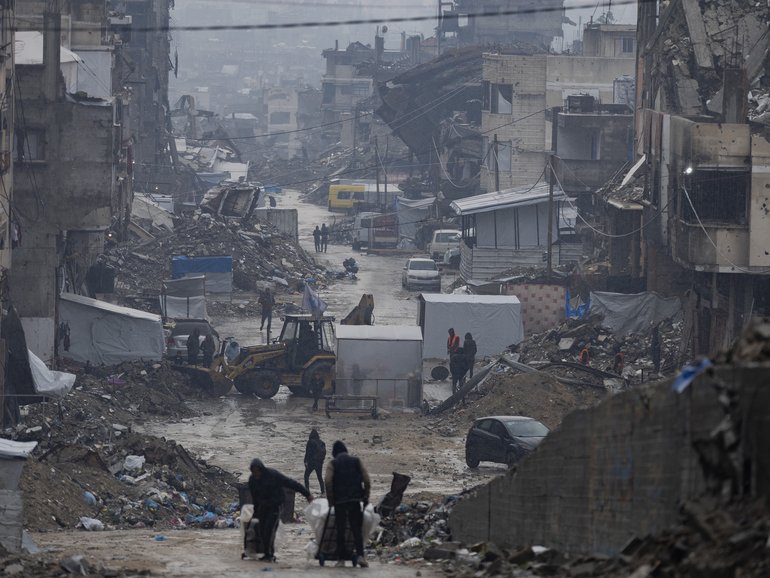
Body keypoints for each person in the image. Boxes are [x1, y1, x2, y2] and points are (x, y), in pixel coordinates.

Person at [248, 458, 312, 562]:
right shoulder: (252, 480)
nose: (256, 474)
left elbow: (290, 483)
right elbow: (255, 497)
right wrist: (255, 512)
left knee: (269, 529)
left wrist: (307, 494)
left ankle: (269, 554)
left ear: (261, 469)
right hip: (263, 508)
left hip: (275, 506)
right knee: (262, 530)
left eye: (257, 471)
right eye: (254, 472)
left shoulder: (272, 475)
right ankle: (268, 554)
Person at [324, 441, 371, 568]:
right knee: (356, 529)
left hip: (340, 501)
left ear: (334, 453)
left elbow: (328, 481)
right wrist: (366, 496)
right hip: (355, 500)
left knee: (340, 529)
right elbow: (366, 479)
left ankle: (341, 559)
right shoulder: (356, 461)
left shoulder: (332, 464)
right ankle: (361, 556)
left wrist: (330, 500)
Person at [303, 429, 326, 495]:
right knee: (320, 477)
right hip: (320, 463)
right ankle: (323, 491)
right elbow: (324, 453)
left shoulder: (310, 442)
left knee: (306, 476)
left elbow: (308, 453)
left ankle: (307, 491)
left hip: (312, 463)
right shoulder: (322, 442)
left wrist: (305, 461)